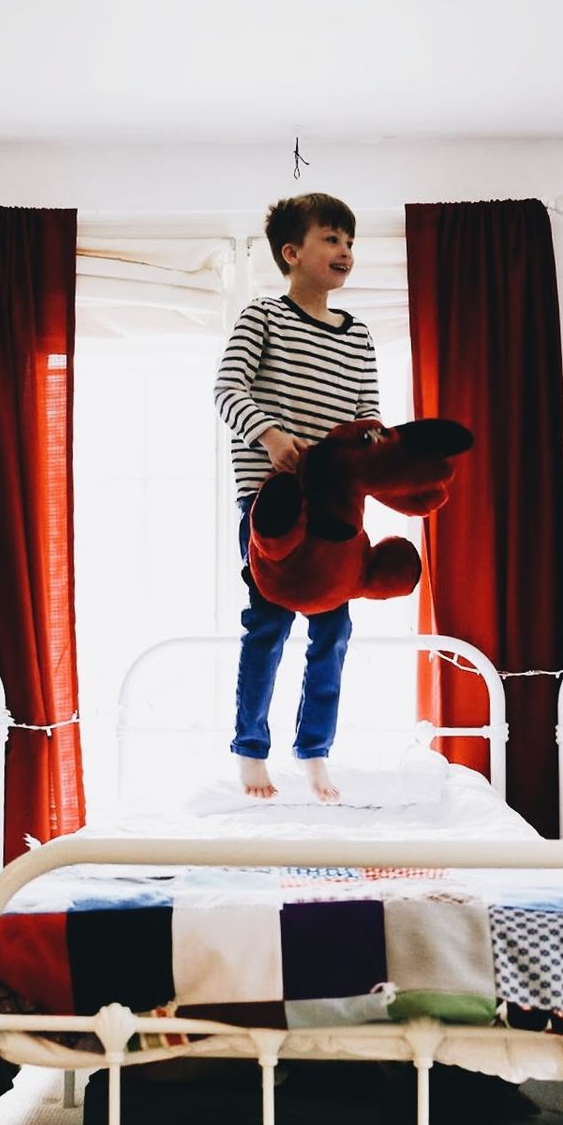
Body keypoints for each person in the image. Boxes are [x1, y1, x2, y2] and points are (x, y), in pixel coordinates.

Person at [212, 192, 379, 802]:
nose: (344, 251)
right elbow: (227, 390)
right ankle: (250, 750)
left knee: (334, 628)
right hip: (271, 502)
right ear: (293, 252)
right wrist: (270, 433)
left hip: (335, 509)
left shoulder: (358, 335)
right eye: (331, 239)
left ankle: (314, 750)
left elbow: (369, 417)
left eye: (350, 242)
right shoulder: (263, 317)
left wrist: (371, 456)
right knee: (267, 625)